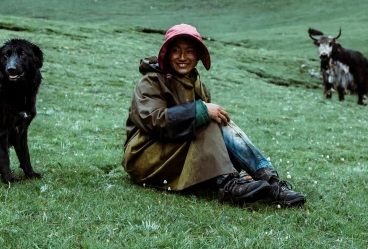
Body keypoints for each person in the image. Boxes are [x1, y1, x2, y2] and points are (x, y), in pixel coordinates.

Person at [122, 23, 305, 207]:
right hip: (146, 157)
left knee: (218, 119)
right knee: (207, 118)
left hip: (176, 152)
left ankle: (271, 181)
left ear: (199, 56)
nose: (182, 57)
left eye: (189, 51)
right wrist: (200, 110)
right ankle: (227, 183)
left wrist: (202, 111)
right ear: (167, 54)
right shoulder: (150, 82)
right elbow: (152, 120)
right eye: (176, 51)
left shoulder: (197, 84)